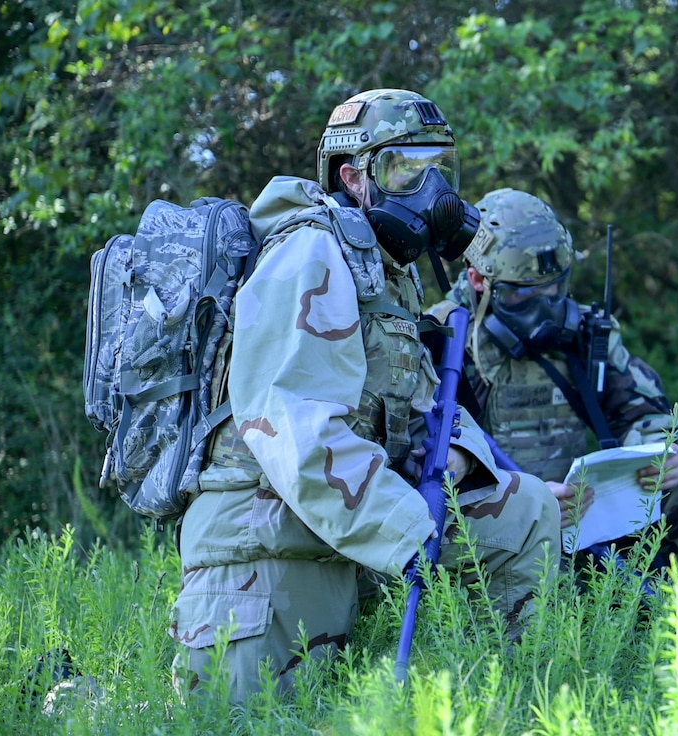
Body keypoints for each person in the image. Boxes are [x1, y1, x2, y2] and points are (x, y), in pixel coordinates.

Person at [169, 89, 560, 702]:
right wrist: (410, 531)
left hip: (345, 537)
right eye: (406, 168)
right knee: (244, 718)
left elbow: (426, 411)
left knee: (526, 509)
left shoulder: (383, 271)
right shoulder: (310, 251)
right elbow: (295, 433)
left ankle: (509, 704)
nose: (430, 190)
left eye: (439, 168)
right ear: (355, 178)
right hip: (265, 550)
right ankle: (70, 695)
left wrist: (472, 468)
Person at [427, 188, 678, 573]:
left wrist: (661, 453)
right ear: (477, 279)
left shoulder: (585, 335)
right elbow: (429, 465)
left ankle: (667, 618)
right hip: (495, 522)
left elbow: (643, 411)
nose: (547, 307)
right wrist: (525, 501)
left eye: (555, 288)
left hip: (587, 516)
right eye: (525, 295)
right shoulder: (442, 342)